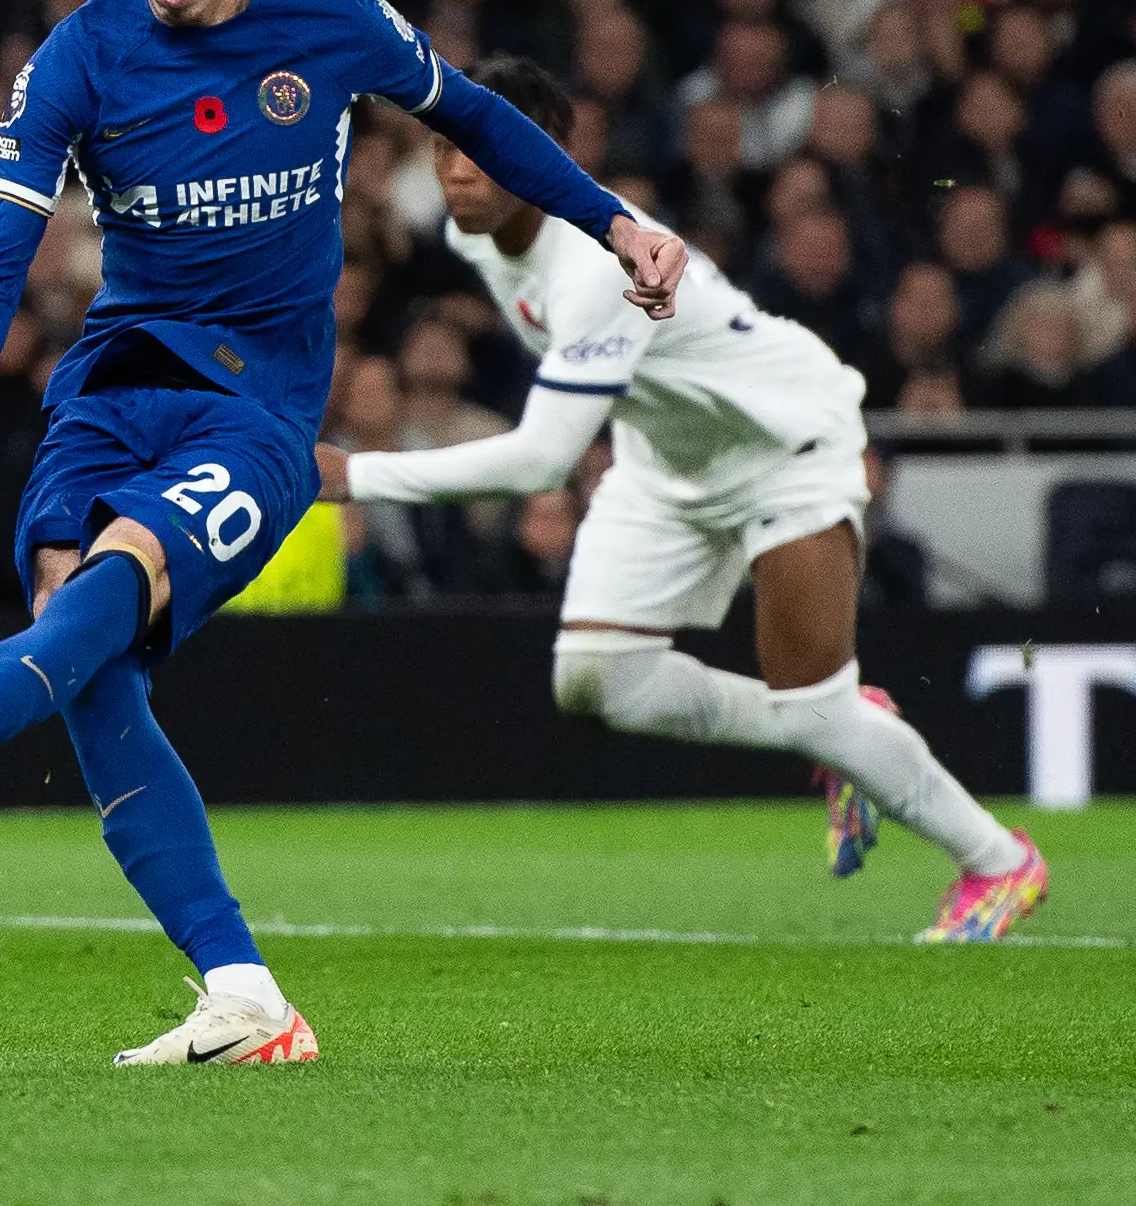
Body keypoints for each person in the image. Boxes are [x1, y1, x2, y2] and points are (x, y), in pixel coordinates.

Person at [0, 0, 688, 1067]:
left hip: (260, 410)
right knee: (86, 662)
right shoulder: (74, 58)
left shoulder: (332, 26)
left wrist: (616, 221)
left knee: (109, 592)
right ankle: (243, 995)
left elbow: (477, 118)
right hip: (108, 388)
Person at [324, 56, 1046, 943]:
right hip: (667, 464)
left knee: (814, 701)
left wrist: (353, 472)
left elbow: (540, 461)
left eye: (481, 148)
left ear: (547, 155)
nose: (458, 168)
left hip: (787, 448)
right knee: (596, 681)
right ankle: (847, 737)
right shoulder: (479, 234)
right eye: (444, 147)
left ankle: (999, 862)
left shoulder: (601, 267)